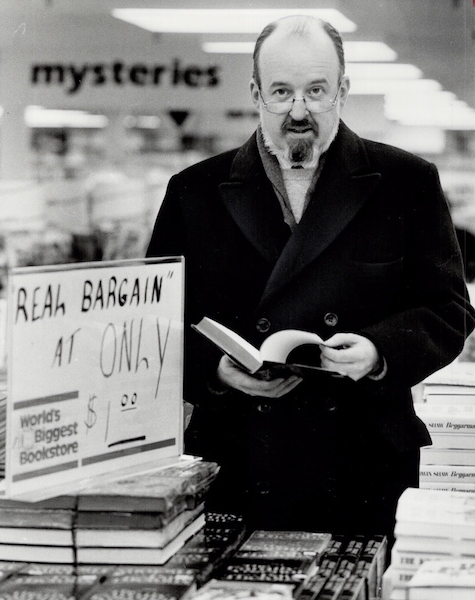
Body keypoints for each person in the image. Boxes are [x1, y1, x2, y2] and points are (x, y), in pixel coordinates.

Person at [146, 15, 475, 539]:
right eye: (281, 92)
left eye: (316, 91)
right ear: (256, 92)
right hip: (238, 459)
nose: (299, 111)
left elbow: (449, 309)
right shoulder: (195, 191)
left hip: (364, 461)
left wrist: (379, 352)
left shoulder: (406, 182)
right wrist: (214, 370)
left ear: (342, 90)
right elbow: (154, 324)